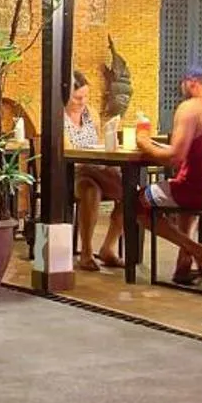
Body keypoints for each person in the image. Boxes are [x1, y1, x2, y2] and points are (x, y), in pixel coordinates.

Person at [136, 63, 202, 287]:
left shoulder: (193, 107)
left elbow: (174, 158)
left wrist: (144, 142)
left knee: (136, 202)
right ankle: (183, 266)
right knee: (184, 197)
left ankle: (197, 250)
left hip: (197, 193)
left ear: (192, 83)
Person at [64, 71, 123, 272]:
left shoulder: (90, 113)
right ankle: (86, 252)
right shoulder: (59, 117)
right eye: (77, 97)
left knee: (127, 190)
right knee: (92, 190)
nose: (82, 101)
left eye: (85, 96)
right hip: (72, 173)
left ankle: (109, 247)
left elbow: (98, 143)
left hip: (95, 170)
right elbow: (67, 152)